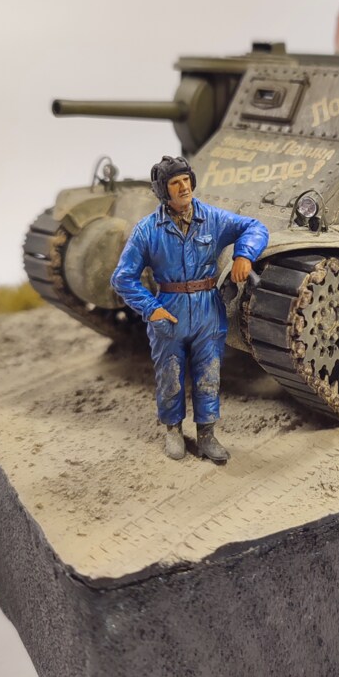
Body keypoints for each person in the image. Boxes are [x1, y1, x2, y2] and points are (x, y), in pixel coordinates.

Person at [111, 156, 269, 462]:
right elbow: (122, 278)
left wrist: (244, 255)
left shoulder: (211, 218)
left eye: (186, 180)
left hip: (208, 306)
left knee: (208, 373)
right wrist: (151, 309)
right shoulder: (148, 229)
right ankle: (173, 430)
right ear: (163, 190)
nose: (184, 187)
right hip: (169, 309)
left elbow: (255, 226)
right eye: (175, 183)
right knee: (169, 374)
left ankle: (207, 434)